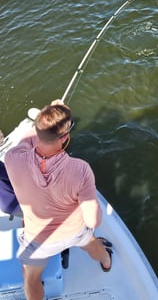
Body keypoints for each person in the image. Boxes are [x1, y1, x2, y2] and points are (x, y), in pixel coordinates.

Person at [5, 100, 112, 300]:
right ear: (66, 138)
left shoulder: (13, 158)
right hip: (75, 232)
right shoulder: (81, 169)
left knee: (30, 278)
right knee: (93, 244)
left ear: (37, 131)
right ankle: (106, 263)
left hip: (37, 240)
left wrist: (47, 120)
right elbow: (93, 221)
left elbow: (27, 141)